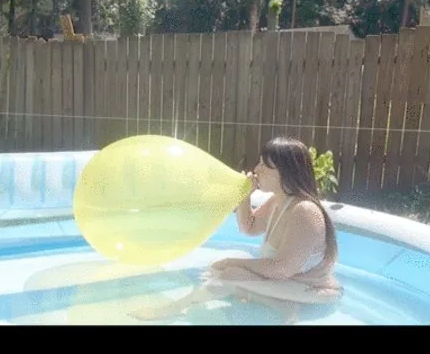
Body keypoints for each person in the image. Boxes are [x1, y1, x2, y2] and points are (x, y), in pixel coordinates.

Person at [129, 136, 344, 324]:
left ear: (286, 173)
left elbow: (282, 269)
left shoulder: (304, 210)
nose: (257, 169)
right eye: (259, 162)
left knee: (230, 273)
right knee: (222, 270)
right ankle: (280, 305)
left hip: (313, 291)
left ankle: (174, 309)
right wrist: (244, 195)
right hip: (287, 285)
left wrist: (233, 264)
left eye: (265, 166)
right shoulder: (278, 202)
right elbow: (247, 228)